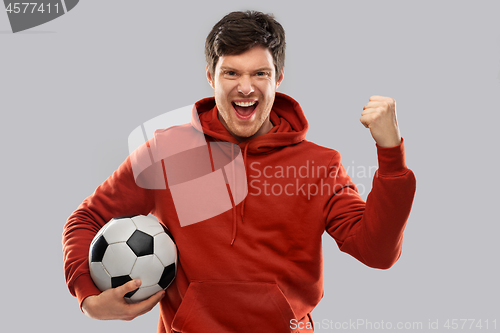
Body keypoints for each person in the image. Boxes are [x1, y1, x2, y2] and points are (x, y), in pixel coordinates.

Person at [62, 10, 416, 333]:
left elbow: (378, 252)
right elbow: (87, 218)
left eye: (259, 73)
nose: (245, 88)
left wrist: (390, 155)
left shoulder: (320, 165)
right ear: (210, 77)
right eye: (231, 72)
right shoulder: (168, 151)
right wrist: (88, 298)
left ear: (277, 77)